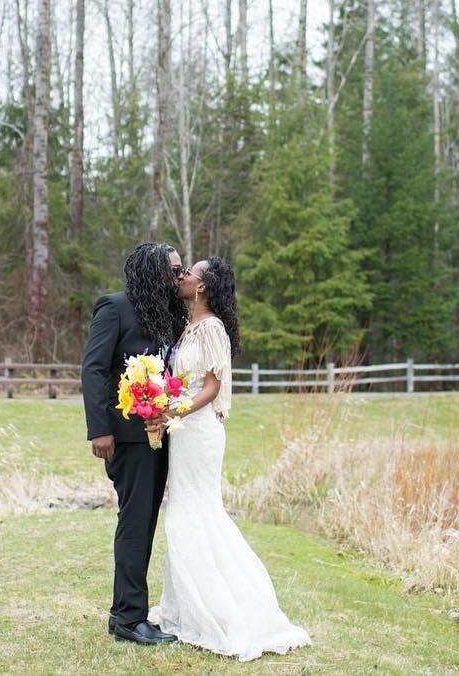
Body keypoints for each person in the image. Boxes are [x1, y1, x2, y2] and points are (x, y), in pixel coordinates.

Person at [146, 257, 312, 661]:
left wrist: (176, 412)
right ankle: (185, 608)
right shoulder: (190, 328)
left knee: (196, 514)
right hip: (184, 433)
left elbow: (212, 387)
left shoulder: (213, 328)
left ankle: (222, 613)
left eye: (189, 274)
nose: (182, 277)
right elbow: (185, 382)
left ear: (202, 287)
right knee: (186, 513)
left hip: (199, 434)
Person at [80, 242, 187, 645]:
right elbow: (93, 368)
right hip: (125, 435)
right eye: (173, 271)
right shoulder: (115, 307)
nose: (179, 278)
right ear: (151, 272)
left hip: (160, 435)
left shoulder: (168, 315)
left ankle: (126, 612)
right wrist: (99, 429)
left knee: (145, 523)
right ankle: (128, 618)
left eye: (181, 271)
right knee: (135, 521)